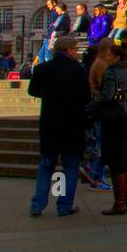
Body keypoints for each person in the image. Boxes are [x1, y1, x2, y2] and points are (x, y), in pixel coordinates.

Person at [27, 36, 90, 217]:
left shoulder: (42, 69)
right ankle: (63, 205)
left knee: (47, 165)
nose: (76, 52)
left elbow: (33, 90)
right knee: (69, 167)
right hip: (72, 124)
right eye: (74, 49)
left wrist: (50, 94)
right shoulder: (78, 70)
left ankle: (38, 205)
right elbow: (86, 97)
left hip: (50, 122)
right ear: (68, 50)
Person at [90, 42, 127, 216]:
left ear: (117, 57)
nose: (107, 57)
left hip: (114, 119)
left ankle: (119, 202)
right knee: (122, 160)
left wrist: (92, 108)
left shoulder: (111, 73)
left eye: (110, 55)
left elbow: (108, 97)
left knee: (114, 160)